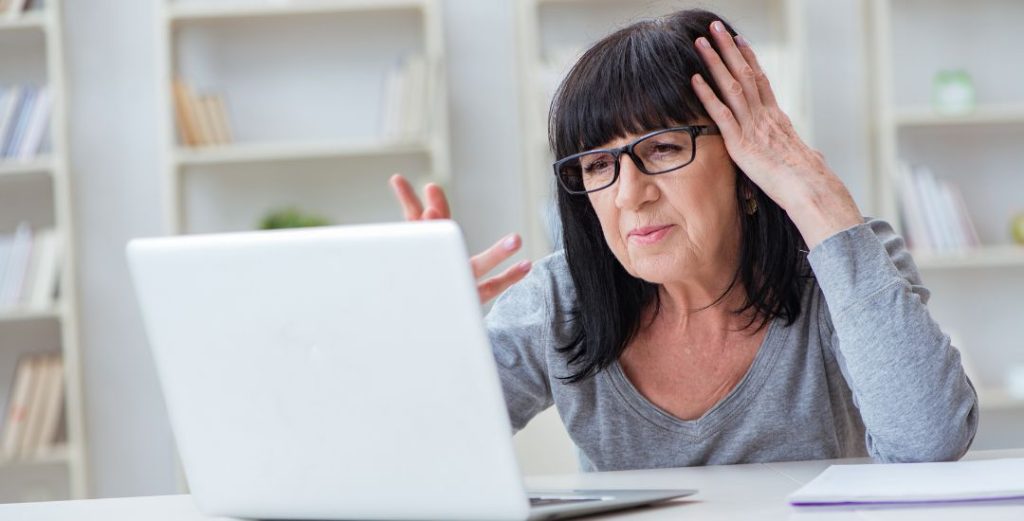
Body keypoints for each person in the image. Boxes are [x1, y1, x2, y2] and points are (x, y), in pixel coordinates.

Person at [389, 9, 977, 471]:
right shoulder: (559, 299)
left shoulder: (844, 258)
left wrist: (815, 196)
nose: (629, 195)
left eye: (664, 148)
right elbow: (417, 451)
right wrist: (422, 337)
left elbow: (929, 440)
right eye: (598, 166)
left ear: (747, 162)